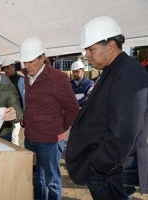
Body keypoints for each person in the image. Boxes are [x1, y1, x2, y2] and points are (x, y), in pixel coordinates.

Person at [65, 16, 148, 200]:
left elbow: (125, 131)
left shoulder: (127, 72)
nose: (86, 55)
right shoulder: (115, 69)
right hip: (109, 168)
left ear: (110, 46)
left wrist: (98, 163)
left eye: (90, 49)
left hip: (112, 170)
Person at [18, 37, 79, 200]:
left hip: (50, 142)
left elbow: (73, 108)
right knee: (37, 178)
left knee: (53, 182)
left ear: (42, 58)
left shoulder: (57, 78)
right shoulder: (25, 77)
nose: (27, 66)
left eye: (30, 61)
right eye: (24, 62)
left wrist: (59, 129)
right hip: (30, 138)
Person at [2, 56, 25, 145]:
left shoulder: (20, 80)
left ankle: (16, 155)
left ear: (13, 67)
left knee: (14, 136)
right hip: (5, 114)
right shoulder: (4, 80)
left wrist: (22, 116)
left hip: (16, 114)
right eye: (4, 68)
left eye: (8, 68)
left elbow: (24, 98)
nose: (6, 70)